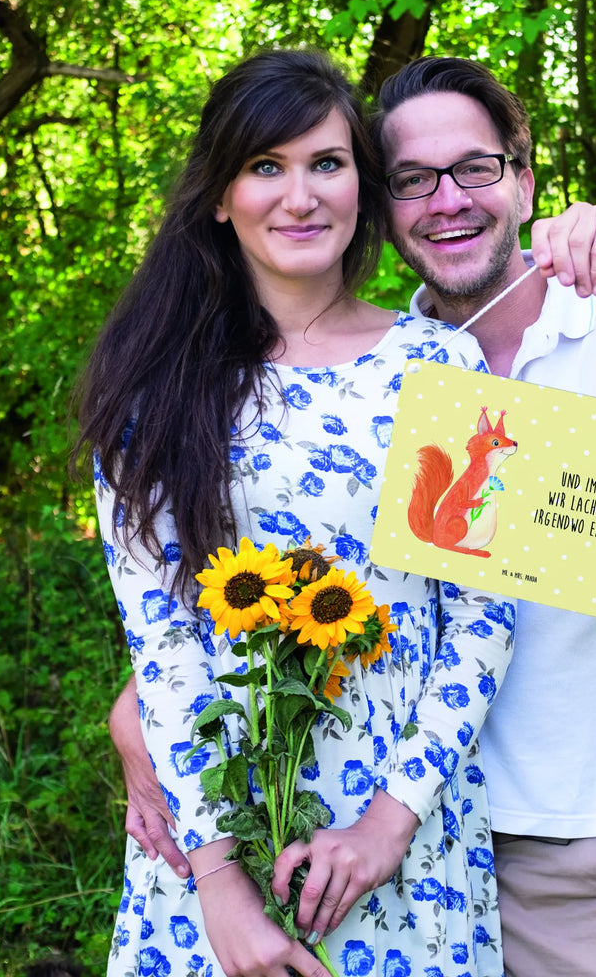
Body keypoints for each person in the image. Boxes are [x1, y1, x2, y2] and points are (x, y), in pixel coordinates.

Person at [112, 55, 596, 977]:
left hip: (563, 840)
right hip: (337, 830)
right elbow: (240, 587)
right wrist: (145, 724)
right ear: (384, 204)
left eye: (475, 168)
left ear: (522, 179)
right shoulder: (366, 370)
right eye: (412, 179)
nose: (447, 200)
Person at [75, 49, 524, 977]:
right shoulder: (151, 389)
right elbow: (161, 645)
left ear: (362, 181)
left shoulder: (442, 365)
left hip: (403, 841)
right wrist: (221, 888)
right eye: (265, 167)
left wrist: (387, 826)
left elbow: (484, 618)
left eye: (326, 163)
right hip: (214, 836)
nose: (300, 195)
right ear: (218, 195)